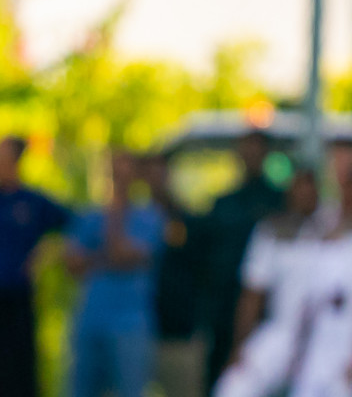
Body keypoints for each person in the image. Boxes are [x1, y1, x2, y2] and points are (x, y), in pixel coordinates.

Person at [212, 166, 320, 397]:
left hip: (325, 336)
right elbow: (252, 294)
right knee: (234, 387)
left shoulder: (334, 232)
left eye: (310, 188)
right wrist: (240, 347)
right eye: (299, 187)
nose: (305, 194)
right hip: (281, 330)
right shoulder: (271, 231)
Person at [66, 150, 165, 397]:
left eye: (125, 171)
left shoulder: (151, 217)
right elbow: (72, 265)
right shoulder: (89, 216)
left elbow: (122, 255)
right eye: (115, 171)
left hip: (130, 324)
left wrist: (96, 256)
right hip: (90, 320)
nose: (120, 178)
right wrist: (104, 258)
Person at [288, 141, 352, 397]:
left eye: (351, 175)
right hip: (316, 343)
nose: (343, 181)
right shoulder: (317, 227)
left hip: (350, 342)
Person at [202, 130, 282, 391]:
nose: (251, 154)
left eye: (257, 148)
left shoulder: (279, 202)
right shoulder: (223, 203)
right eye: (246, 148)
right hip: (223, 309)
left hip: (265, 311)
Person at [0, 136, 71, 397]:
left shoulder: (32, 202)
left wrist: (46, 253)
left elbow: (73, 225)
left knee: (20, 371)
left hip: (18, 298)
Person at [143, 151, 207, 397]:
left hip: (182, 335)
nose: (156, 178)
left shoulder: (189, 221)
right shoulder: (134, 223)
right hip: (139, 335)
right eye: (150, 172)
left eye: (161, 171)